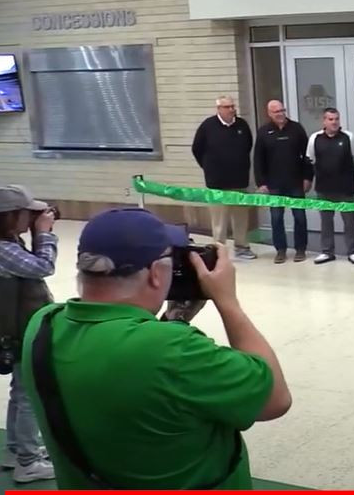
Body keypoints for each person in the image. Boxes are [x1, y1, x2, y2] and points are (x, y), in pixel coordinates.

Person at [21, 208, 292, 489]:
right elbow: (275, 399)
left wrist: (174, 319)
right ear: (154, 274)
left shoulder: (43, 324)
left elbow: (130, 376)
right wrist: (228, 301)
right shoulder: (173, 350)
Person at [0, 186, 56, 483]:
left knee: (20, 392)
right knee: (29, 395)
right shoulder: (3, 248)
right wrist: (45, 234)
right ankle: (28, 462)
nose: (32, 217)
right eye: (26, 212)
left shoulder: (9, 241)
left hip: (15, 329)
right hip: (19, 332)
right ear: (10, 216)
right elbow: (43, 267)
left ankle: (16, 449)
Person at [192, 95, 256, 260]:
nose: (232, 110)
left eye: (233, 106)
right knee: (219, 221)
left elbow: (248, 145)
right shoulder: (208, 126)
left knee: (241, 217)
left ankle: (242, 247)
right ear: (219, 109)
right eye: (228, 107)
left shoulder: (242, 125)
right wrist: (208, 167)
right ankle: (219, 251)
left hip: (239, 181)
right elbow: (197, 149)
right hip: (217, 183)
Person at [253, 100, 312, 264]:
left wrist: (308, 177)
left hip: (295, 182)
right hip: (274, 184)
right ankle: (280, 250)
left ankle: (301, 249)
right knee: (276, 217)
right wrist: (261, 183)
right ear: (269, 114)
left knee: (299, 216)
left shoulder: (296, 129)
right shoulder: (264, 132)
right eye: (276, 111)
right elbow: (258, 159)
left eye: (282, 110)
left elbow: (308, 156)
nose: (280, 114)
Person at [306, 107, 354, 265]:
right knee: (326, 221)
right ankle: (327, 251)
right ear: (324, 121)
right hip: (324, 188)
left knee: (349, 221)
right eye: (330, 119)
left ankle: (353, 251)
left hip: (345, 188)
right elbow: (311, 160)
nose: (334, 122)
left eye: (336, 119)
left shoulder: (348, 137)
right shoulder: (314, 138)